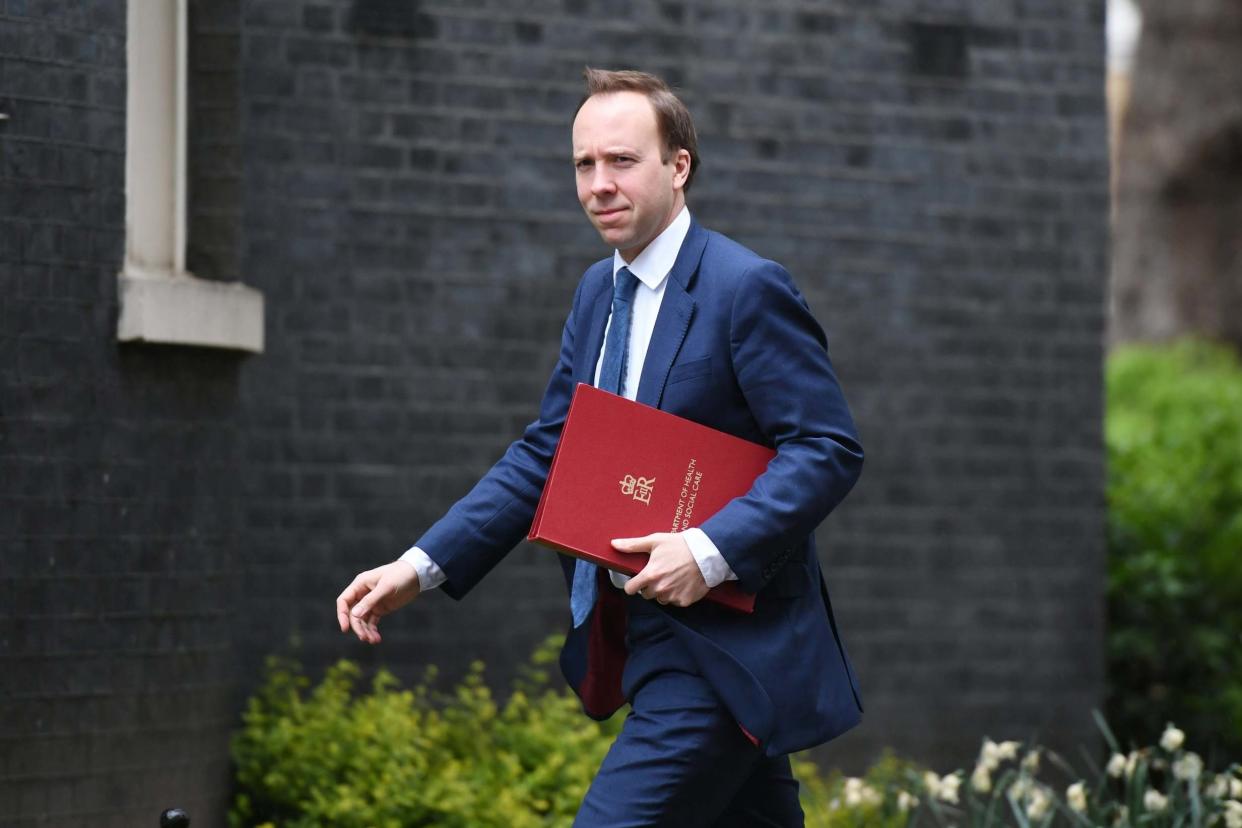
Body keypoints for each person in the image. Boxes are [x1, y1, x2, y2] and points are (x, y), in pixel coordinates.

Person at [336, 67, 865, 827]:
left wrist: (709, 548)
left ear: (678, 166)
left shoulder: (745, 289)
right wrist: (420, 566)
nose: (599, 184)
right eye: (584, 164)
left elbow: (826, 446)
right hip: (642, 640)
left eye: (622, 161)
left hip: (725, 653)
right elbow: (550, 455)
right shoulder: (595, 295)